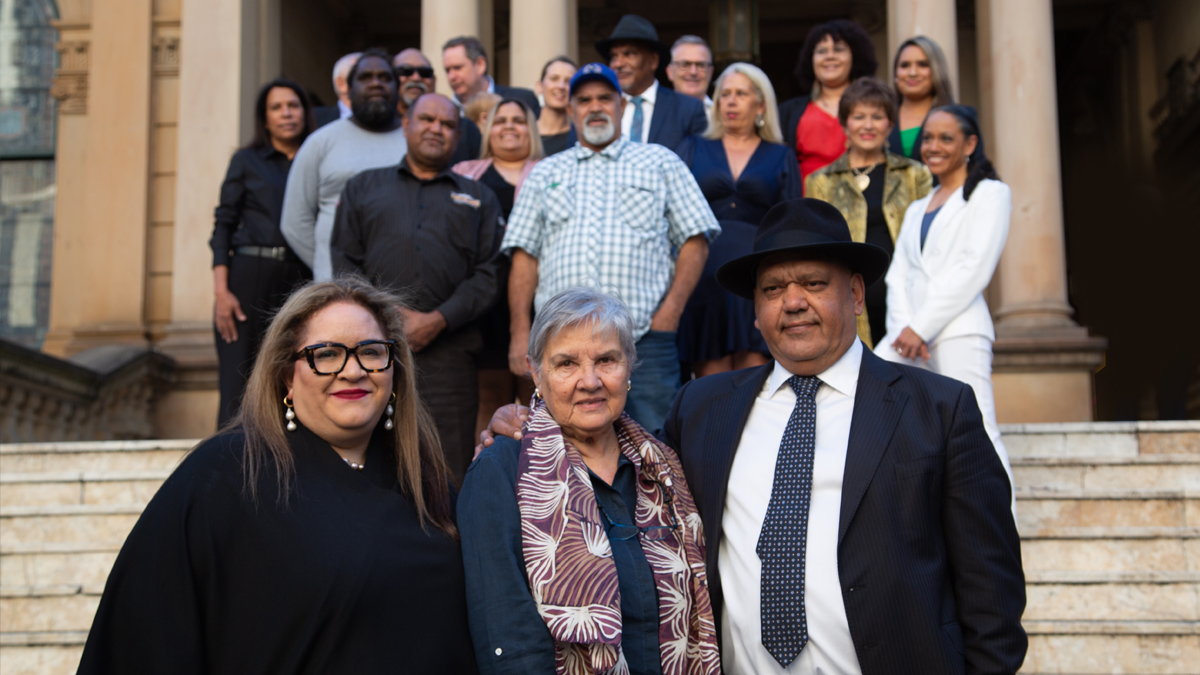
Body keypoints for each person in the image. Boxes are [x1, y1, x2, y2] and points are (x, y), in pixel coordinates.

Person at [482, 198, 1027, 675]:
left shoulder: (940, 408)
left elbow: (992, 595)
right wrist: (527, 420)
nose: (792, 302)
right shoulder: (704, 407)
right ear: (757, 312)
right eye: (773, 289)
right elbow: (608, 448)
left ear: (857, 294)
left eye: (813, 283)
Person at [77, 277, 477, 674]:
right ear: (287, 375)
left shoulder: (429, 488)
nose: (353, 371)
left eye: (371, 352)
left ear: (394, 370)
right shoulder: (225, 477)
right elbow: (140, 640)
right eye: (326, 354)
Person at [458, 288, 720, 675]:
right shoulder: (502, 470)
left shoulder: (663, 467)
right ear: (536, 372)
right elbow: (508, 636)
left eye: (607, 360)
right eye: (566, 363)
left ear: (630, 365)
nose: (590, 380)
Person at [503, 63, 720, 434]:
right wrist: (520, 331)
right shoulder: (544, 173)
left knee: (656, 442)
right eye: (584, 100)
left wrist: (669, 314)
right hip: (561, 347)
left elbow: (696, 238)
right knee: (558, 444)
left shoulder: (659, 161)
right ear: (570, 110)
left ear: (622, 104)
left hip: (644, 341)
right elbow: (524, 256)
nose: (595, 106)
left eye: (605, 97)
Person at [331, 93, 504, 480]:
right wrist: (382, 318)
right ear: (406, 123)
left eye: (446, 125)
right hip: (371, 354)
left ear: (459, 136)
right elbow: (344, 260)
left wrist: (438, 320)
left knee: (448, 468)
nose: (435, 129)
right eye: (426, 119)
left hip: (451, 356)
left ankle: (443, 541)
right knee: (372, 459)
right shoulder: (363, 187)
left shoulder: (480, 197)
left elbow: (490, 273)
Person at [875, 104, 1016, 511]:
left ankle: (1003, 534)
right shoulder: (920, 205)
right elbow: (899, 273)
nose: (933, 146)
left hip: (958, 331)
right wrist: (906, 330)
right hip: (907, 341)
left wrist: (922, 326)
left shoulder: (991, 193)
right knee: (877, 404)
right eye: (929, 138)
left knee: (979, 430)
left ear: (970, 143)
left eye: (946, 138)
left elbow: (976, 268)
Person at [675, 63, 801, 378]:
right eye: (725, 94)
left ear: (760, 105)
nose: (730, 101)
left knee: (755, 383)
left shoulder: (781, 154)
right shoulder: (693, 147)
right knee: (710, 387)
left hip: (757, 279)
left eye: (740, 94)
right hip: (703, 277)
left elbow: (790, 223)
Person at [210, 79, 315, 427]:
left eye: (293, 105)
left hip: (301, 277)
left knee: (292, 374)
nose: (286, 113)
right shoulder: (247, 160)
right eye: (277, 107)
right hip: (249, 274)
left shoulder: (316, 159)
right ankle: (228, 467)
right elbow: (223, 225)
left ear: (305, 112)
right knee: (238, 381)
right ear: (265, 119)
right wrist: (221, 292)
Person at [806, 77, 932, 349]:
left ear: (890, 123)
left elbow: (930, 239)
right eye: (859, 116)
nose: (867, 125)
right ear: (845, 122)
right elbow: (816, 248)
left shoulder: (915, 174)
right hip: (847, 299)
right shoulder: (820, 181)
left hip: (908, 298)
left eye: (877, 116)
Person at [452, 98, 544, 442]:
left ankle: (537, 476)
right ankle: (488, 472)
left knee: (536, 393)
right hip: (484, 299)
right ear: (489, 129)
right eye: (501, 120)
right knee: (489, 394)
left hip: (536, 298)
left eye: (518, 120)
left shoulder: (550, 171)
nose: (509, 126)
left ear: (531, 130)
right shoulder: (464, 173)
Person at [280, 48, 407, 281]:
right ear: (348, 88)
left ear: (397, 88)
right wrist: (329, 265)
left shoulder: (415, 141)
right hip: (339, 292)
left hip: (405, 291)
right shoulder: (320, 141)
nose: (376, 83)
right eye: (365, 77)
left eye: (385, 77)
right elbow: (295, 223)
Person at [567, 14, 707, 153]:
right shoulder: (591, 110)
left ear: (653, 61)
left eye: (629, 54)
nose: (618, 64)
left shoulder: (688, 110)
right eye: (614, 56)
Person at [779, 19, 879, 188]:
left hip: (860, 202)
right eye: (821, 51)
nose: (829, 56)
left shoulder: (876, 108)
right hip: (806, 205)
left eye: (839, 49)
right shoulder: (788, 111)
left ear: (856, 56)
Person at [394, 47, 483, 164]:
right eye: (405, 71)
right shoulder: (375, 128)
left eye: (425, 72)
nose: (416, 77)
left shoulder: (466, 131)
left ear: (434, 81)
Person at [888, 36, 955, 160]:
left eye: (922, 64)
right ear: (896, 72)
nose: (912, 72)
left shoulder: (958, 118)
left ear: (937, 70)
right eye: (905, 65)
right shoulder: (882, 118)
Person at [442, 36, 540, 115]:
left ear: (480, 65)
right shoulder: (444, 111)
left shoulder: (523, 100)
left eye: (458, 68)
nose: (451, 77)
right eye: (447, 70)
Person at [534, 56, 577, 155]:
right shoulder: (523, 133)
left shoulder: (580, 138)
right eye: (554, 79)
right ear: (539, 86)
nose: (561, 86)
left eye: (568, 81)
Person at [667, 35, 715, 114]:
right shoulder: (654, 114)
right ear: (670, 72)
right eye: (685, 64)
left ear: (710, 72)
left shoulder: (721, 116)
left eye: (700, 65)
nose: (693, 72)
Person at [313, 52, 360, 128]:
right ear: (341, 84)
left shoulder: (385, 120)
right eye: (365, 77)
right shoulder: (314, 118)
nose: (375, 83)